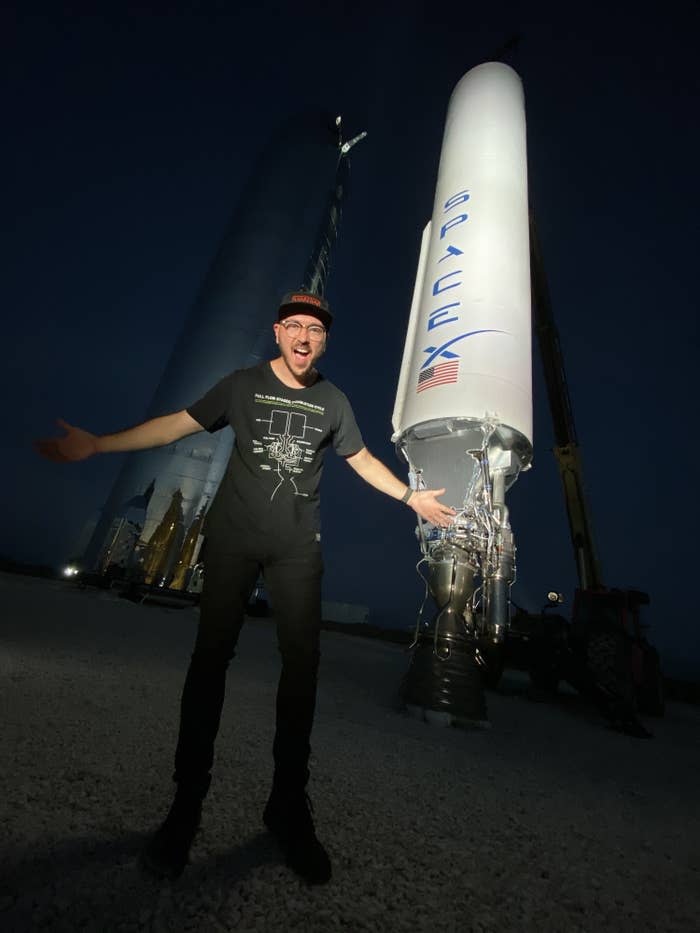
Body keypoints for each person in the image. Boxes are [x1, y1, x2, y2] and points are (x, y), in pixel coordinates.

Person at [35, 290, 455, 885]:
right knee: (210, 664)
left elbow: (360, 460)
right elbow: (172, 428)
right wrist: (100, 443)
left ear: (324, 339)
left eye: (315, 329)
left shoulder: (334, 400)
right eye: (295, 327)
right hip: (233, 544)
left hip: (296, 552)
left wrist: (411, 496)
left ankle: (286, 808)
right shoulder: (242, 385)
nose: (305, 337)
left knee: (302, 671)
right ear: (278, 333)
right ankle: (185, 807)